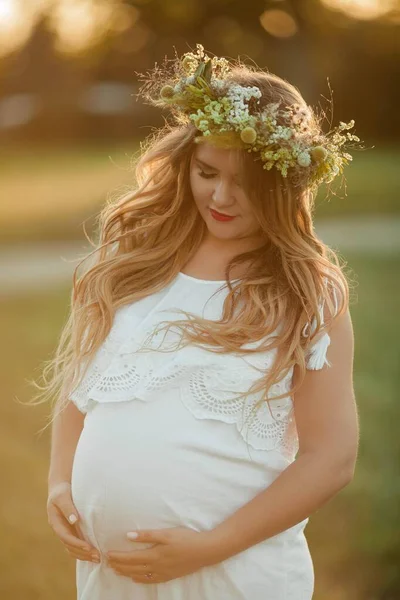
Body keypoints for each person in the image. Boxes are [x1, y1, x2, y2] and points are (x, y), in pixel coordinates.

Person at [43, 43, 360, 599]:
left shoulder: (306, 294)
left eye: (247, 184)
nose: (221, 196)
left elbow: (330, 459)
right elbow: (84, 389)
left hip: (233, 575)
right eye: (207, 172)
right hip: (114, 576)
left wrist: (212, 545)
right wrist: (59, 481)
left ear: (285, 185)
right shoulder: (134, 266)